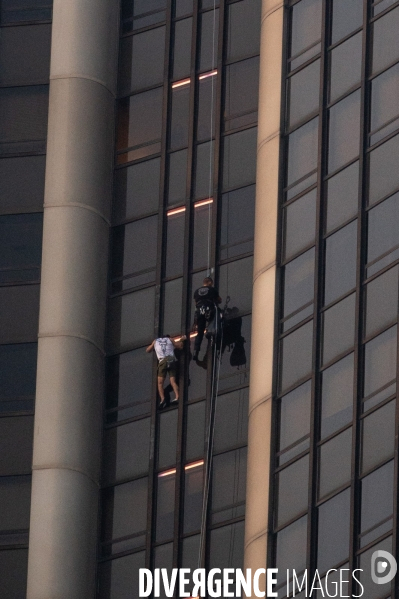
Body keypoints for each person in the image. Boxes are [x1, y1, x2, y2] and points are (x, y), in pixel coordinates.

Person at [146, 335, 186, 408]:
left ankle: (163, 399)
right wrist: (182, 340)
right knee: (173, 381)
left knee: (160, 383)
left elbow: (148, 350)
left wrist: (154, 347)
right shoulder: (170, 339)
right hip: (171, 359)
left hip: (163, 360)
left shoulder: (155, 341)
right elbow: (180, 346)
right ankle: (177, 396)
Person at [192, 277, 221, 360]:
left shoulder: (196, 291)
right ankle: (214, 340)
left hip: (199, 312)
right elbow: (219, 300)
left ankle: (195, 352)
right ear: (210, 283)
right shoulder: (212, 289)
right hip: (209, 311)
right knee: (214, 321)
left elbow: (196, 303)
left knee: (200, 332)